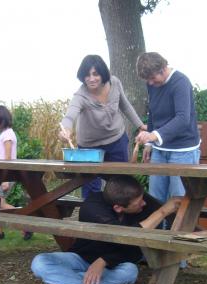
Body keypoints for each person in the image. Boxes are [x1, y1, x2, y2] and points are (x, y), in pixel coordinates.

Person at [31, 175, 181, 284]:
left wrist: (103, 261)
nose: (144, 203)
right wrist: (162, 212)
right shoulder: (92, 207)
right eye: (138, 202)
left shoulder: (143, 209)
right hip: (81, 258)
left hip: (113, 266)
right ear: (118, 208)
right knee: (39, 262)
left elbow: (134, 249)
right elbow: (126, 235)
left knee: (130, 272)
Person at [59, 55, 146, 198]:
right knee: (91, 186)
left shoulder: (115, 83)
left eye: (95, 74)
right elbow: (69, 116)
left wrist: (140, 125)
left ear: (103, 74)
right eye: (87, 75)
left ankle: (120, 216)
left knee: (121, 183)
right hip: (89, 148)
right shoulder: (80, 96)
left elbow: (125, 105)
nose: (91, 79)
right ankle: (92, 216)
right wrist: (65, 131)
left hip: (117, 140)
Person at [135, 52, 201, 204]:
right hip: (160, 150)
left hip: (183, 151)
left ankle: (177, 229)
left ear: (163, 68)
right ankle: (156, 229)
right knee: (155, 201)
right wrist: (150, 144)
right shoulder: (151, 84)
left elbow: (183, 119)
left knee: (178, 202)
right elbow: (153, 112)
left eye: (153, 78)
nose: (150, 83)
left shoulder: (180, 82)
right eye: (148, 80)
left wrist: (153, 136)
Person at [0, 105, 32, 241]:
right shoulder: (5, 134)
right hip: (1, 176)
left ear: (1, 119)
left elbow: (8, 159)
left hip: (5, 176)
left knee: (0, 204)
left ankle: (24, 224)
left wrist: (5, 180)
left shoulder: (8, 135)